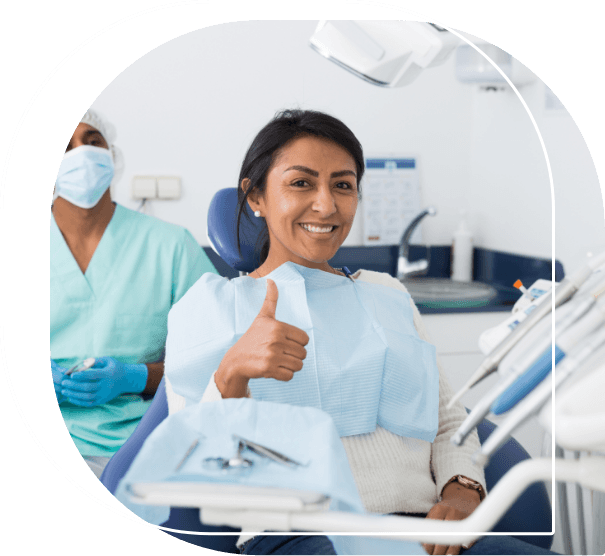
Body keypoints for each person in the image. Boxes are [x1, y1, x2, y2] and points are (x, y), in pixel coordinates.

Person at [164, 110, 559, 556]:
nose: (327, 205)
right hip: (302, 535)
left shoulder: (387, 293)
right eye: (301, 183)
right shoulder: (208, 308)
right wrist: (232, 375)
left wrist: (462, 492)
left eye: (343, 185)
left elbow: (449, 419)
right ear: (255, 196)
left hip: (426, 534)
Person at [50, 109, 217, 478]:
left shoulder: (170, 247)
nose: (81, 153)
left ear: (112, 155)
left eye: (93, 142)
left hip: (146, 446)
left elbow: (217, 361)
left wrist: (137, 377)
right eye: (64, 146)